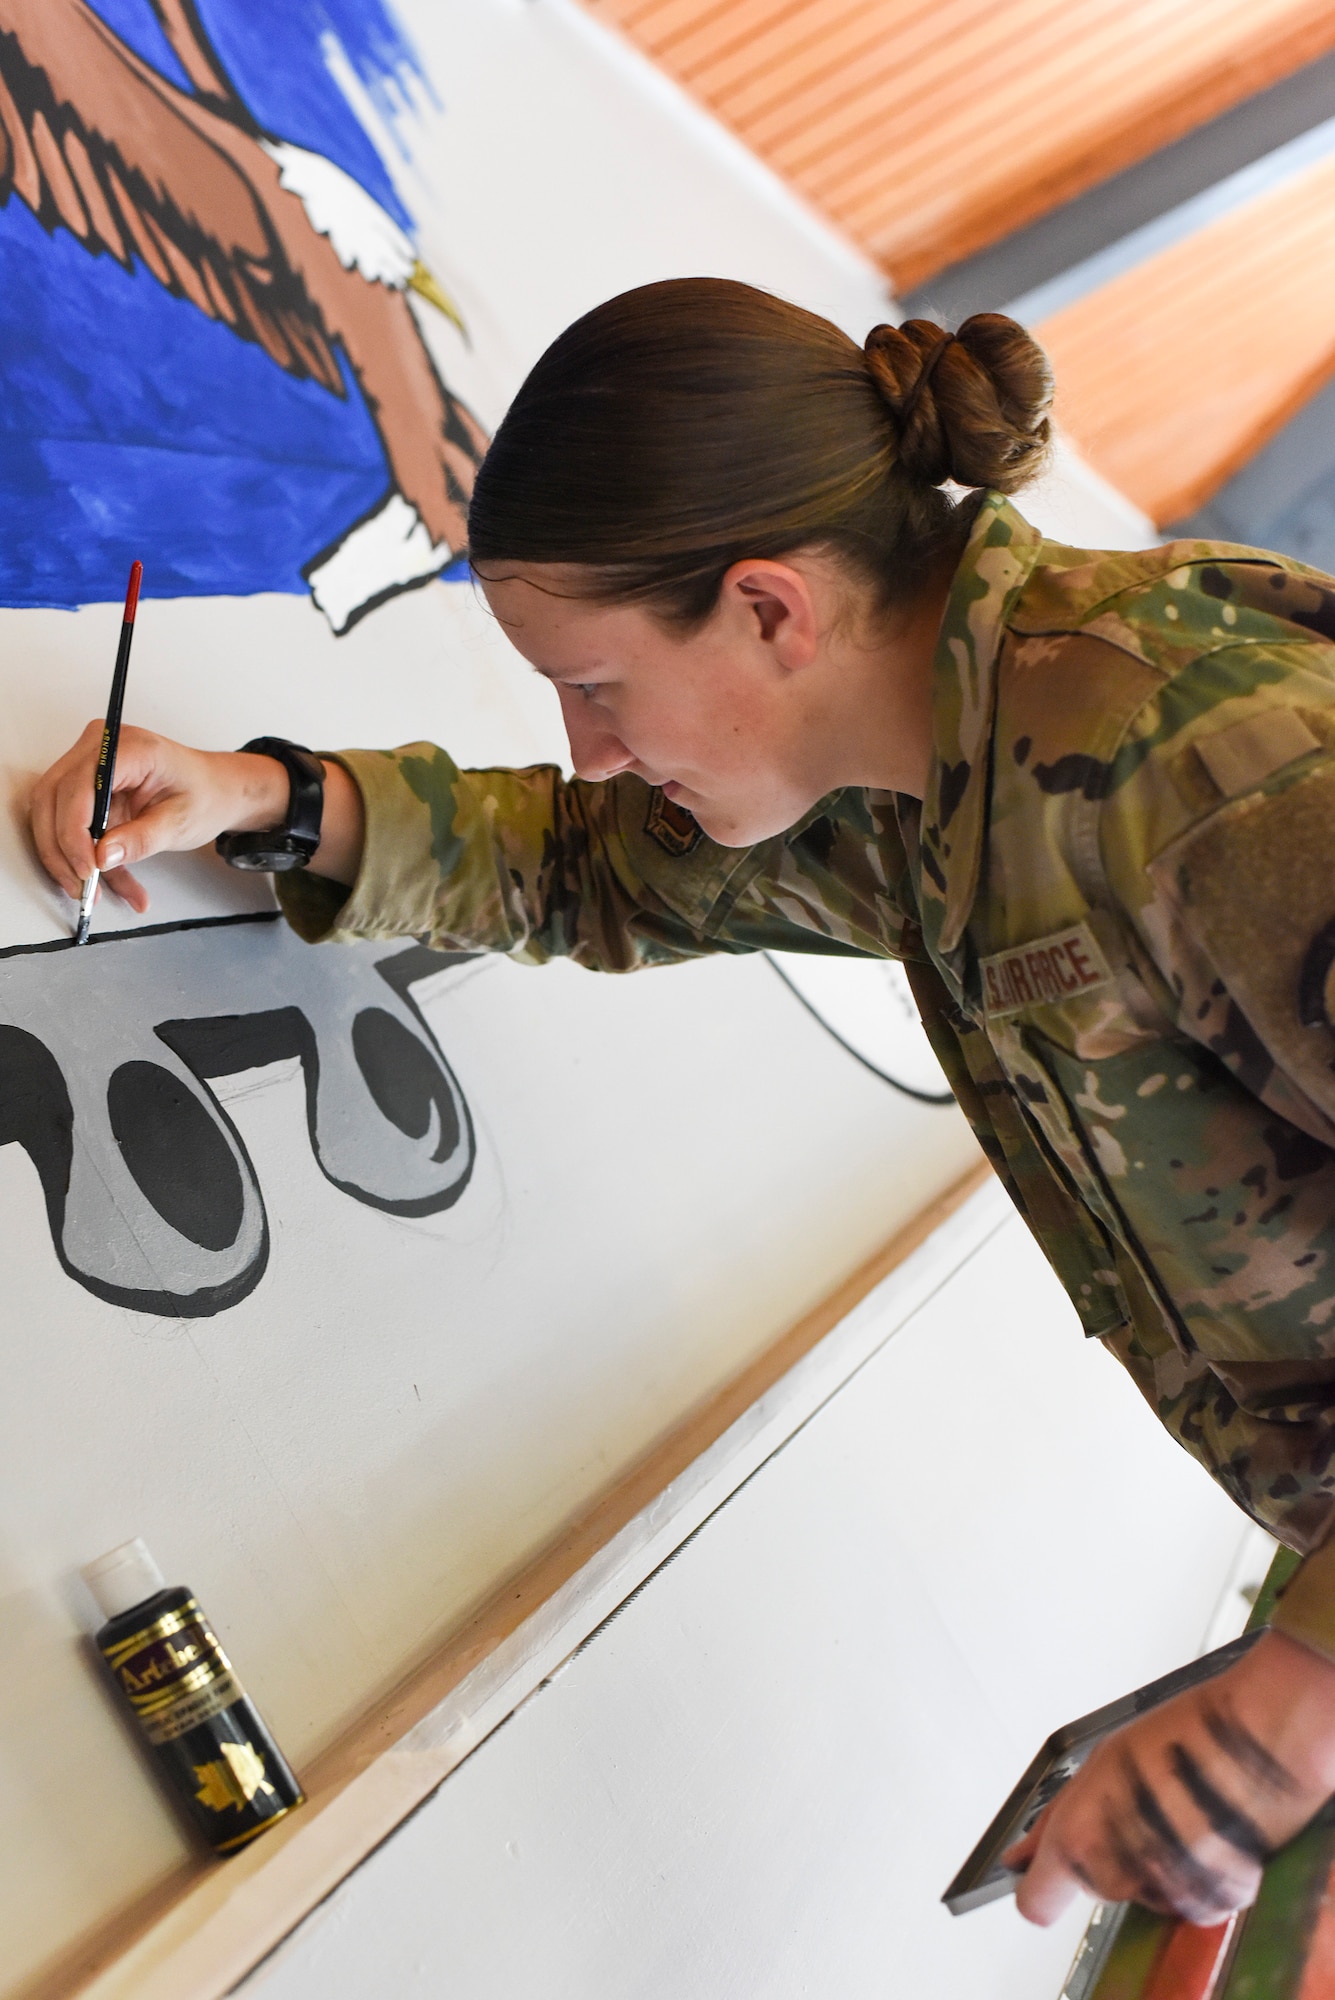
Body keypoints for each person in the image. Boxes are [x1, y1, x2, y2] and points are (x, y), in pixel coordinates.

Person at [30, 278, 1335, 1929]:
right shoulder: (927, 765)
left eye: (601, 689)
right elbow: (600, 872)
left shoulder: (1207, 768)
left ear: (772, 611)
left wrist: (1304, 1692)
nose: (586, 749)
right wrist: (274, 800)